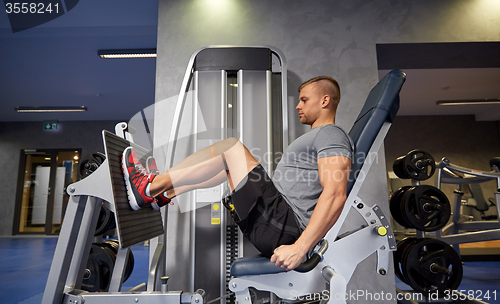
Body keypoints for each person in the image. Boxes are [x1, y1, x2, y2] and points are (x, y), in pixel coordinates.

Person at [121, 76, 354, 271]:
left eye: (304, 100)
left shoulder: (331, 134)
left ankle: (149, 186)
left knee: (231, 148)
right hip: (278, 222)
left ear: (325, 101)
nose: (298, 106)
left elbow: (335, 194)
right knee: (227, 164)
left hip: (285, 227)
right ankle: (164, 193)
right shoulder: (319, 136)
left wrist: (300, 248)